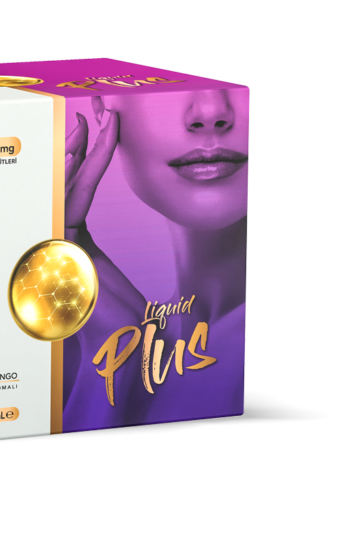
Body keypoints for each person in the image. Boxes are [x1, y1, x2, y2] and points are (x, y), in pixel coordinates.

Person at [62, 86, 249, 430]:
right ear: (102, 106)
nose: (210, 113)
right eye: (168, 86)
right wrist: (113, 356)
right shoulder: (76, 339)